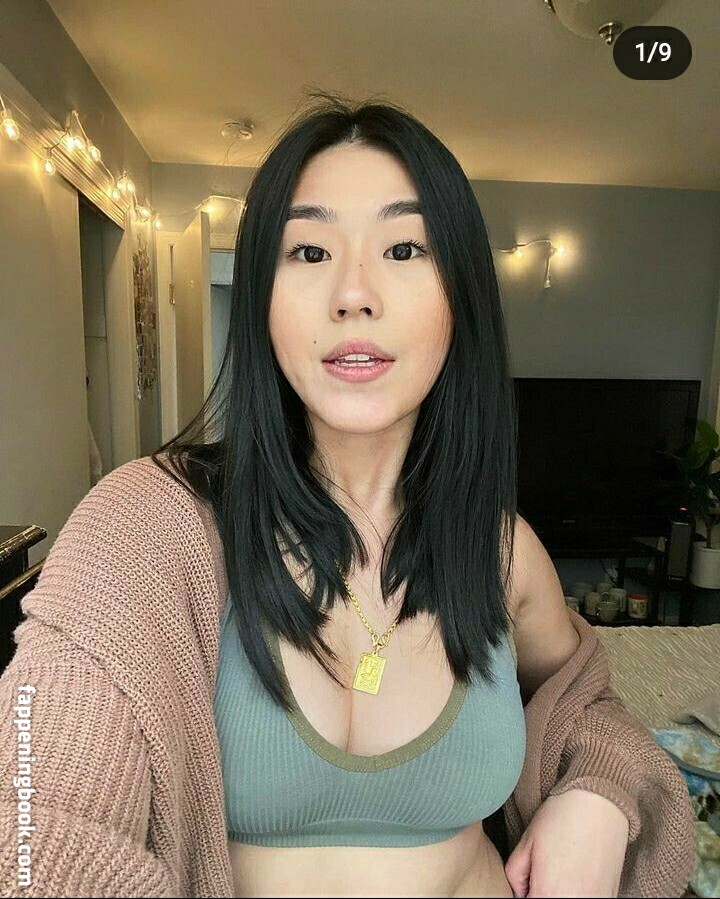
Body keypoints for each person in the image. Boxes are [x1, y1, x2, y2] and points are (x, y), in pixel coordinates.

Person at [0, 93, 695, 898]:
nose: (353, 293)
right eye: (308, 251)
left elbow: (588, 702)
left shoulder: (499, 548)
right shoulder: (146, 524)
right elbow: (33, 818)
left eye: (404, 248)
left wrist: (599, 793)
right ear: (262, 299)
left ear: (460, 299)